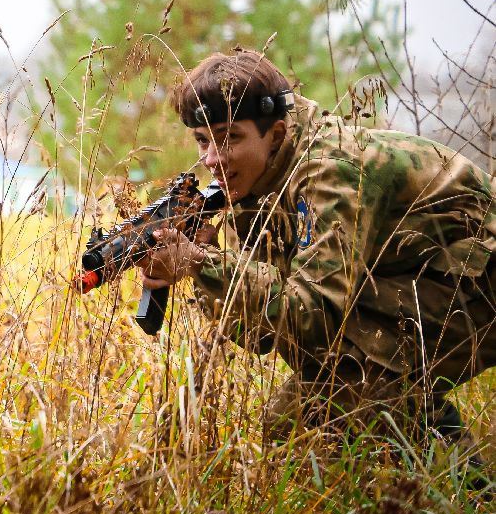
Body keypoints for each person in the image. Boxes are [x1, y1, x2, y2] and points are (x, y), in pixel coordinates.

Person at [139, 49, 496, 455]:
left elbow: (314, 312)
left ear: (275, 134)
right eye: (203, 141)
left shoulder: (328, 171)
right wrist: (204, 266)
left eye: (230, 138)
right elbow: (256, 335)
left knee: (319, 415)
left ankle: (466, 486)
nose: (212, 159)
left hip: (478, 278)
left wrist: (204, 263)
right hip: (414, 278)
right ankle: (427, 430)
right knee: (305, 413)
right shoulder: (250, 180)